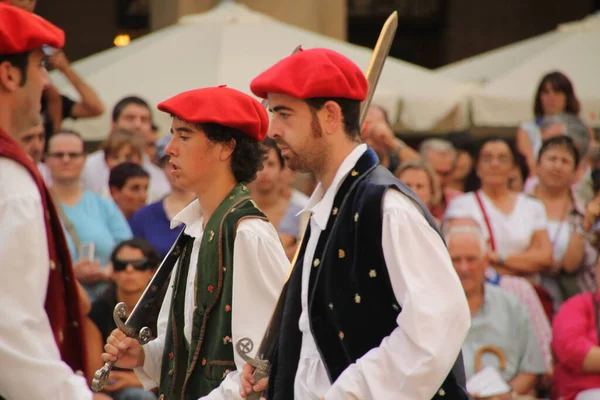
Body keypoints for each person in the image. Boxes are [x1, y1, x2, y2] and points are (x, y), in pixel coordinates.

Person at [242, 47, 471, 399]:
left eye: (284, 113)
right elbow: (319, 340)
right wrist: (279, 373)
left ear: (331, 116)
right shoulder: (324, 210)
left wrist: (348, 394)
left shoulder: (387, 207)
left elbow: (437, 327)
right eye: (272, 113)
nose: (272, 129)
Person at [101, 86, 289, 399]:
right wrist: (144, 356)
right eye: (172, 135)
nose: (169, 149)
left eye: (184, 135)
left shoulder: (248, 234)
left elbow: (261, 364)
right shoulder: (193, 230)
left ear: (226, 147)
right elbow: (187, 352)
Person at [0, 4, 107, 399]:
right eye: (39, 66)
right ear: (9, 75)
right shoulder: (10, 181)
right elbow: (10, 327)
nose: (45, 82)